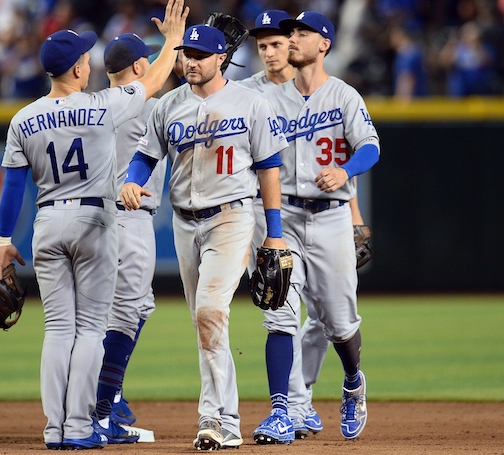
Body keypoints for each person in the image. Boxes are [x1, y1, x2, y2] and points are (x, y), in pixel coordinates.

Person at [0, 0, 189, 450]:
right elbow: (153, 80)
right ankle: (82, 426)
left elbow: (12, 189)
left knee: (58, 330)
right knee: (91, 331)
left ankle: (53, 429)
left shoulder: (23, 118)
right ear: (79, 69)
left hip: (46, 221)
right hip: (96, 220)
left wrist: (5, 240)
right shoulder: (101, 106)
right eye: (84, 58)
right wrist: (174, 42)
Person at [119, 24, 289, 451]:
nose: (189, 61)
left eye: (198, 54)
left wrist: (276, 235)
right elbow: (144, 156)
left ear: (220, 59)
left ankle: (220, 419)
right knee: (203, 320)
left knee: (212, 311)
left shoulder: (251, 103)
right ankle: (219, 415)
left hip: (231, 218)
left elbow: (269, 169)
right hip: (184, 222)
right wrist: (131, 181)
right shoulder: (167, 106)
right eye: (185, 54)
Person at [241, 9, 372, 440]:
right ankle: (283, 411)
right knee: (278, 311)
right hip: (281, 216)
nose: (293, 38)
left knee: (338, 322)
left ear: (324, 44)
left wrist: (345, 170)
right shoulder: (263, 99)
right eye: (290, 32)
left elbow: (370, 148)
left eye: (302, 33)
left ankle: (353, 380)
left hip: (330, 216)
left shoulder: (344, 96)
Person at [92, 32, 169, 443]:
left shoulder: (97, 104)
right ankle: (101, 413)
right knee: (123, 315)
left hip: (99, 220)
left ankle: (107, 398)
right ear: (139, 68)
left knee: (136, 308)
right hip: (129, 219)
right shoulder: (145, 106)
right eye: (149, 62)